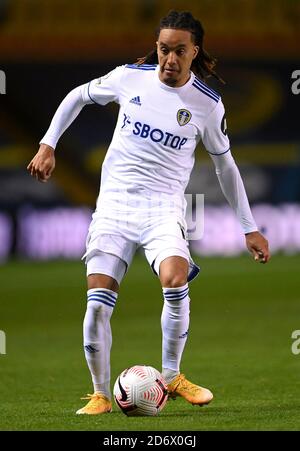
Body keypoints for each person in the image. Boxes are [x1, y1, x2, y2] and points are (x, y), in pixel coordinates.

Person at [27, 10, 270, 415]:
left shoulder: (207, 105)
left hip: (164, 209)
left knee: (175, 281)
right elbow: (77, 96)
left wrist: (250, 228)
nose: (169, 59)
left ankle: (172, 375)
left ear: (194, 52)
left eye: (179, 51)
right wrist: (48, 143)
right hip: (114, 206)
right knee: (97, 303)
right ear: (156, 48)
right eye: (163, 49)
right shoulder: (129, 77)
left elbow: (225, 166)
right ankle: (102, 395)